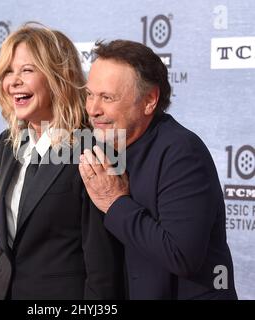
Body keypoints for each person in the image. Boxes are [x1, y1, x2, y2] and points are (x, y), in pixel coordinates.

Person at [0, 24, 124, 300]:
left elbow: (104, 267)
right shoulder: (8, 144)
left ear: (58, 77)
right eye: (8, 71)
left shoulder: (93, 148)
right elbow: (12, 245)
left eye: (27, 70)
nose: (13, 81)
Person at [79, 39, 237, 299]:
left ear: (150, 100)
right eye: (89, 95)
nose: (93, 110)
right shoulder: (103, 148)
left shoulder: (182, 153)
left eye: (107, 97)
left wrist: (115, 201)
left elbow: (182, 256)